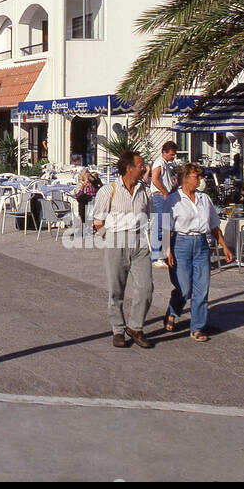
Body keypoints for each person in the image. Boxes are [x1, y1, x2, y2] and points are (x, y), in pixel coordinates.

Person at [90, 150, 155, 350]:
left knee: (146, 288)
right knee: (116, 290)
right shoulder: (109, 191)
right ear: (129, 168)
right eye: (140, 165)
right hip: (116, 240)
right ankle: (118, 330)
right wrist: (108, 238)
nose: (144, 168)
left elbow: (151, 215)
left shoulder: (144, 190)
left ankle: (135, 327)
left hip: (139, 241)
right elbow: (97, 220)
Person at [164, 162, 235, 342]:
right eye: (198, 176)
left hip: (202, 244)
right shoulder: (173, 199)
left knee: (201, 289)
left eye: (201, 176)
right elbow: (164, 227)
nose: (201, 179)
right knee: (184, 288)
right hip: (180, 243)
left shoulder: (205, 199)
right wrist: (167, 250)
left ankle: (197, 327)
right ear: (186, 178)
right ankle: (173, 310)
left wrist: (224, 247)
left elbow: (213, 225)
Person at [149, 141, 179, 269]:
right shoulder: (159, 162)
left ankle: (163, 255)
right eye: (172, 154)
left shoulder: (165, 163)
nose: (173, 157)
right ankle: (156, 256)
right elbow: (154, 179)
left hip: (164, 196)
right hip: (160, 196)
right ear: (164, 152)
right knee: (160, 226)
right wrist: (165, 192)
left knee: (164, 225)